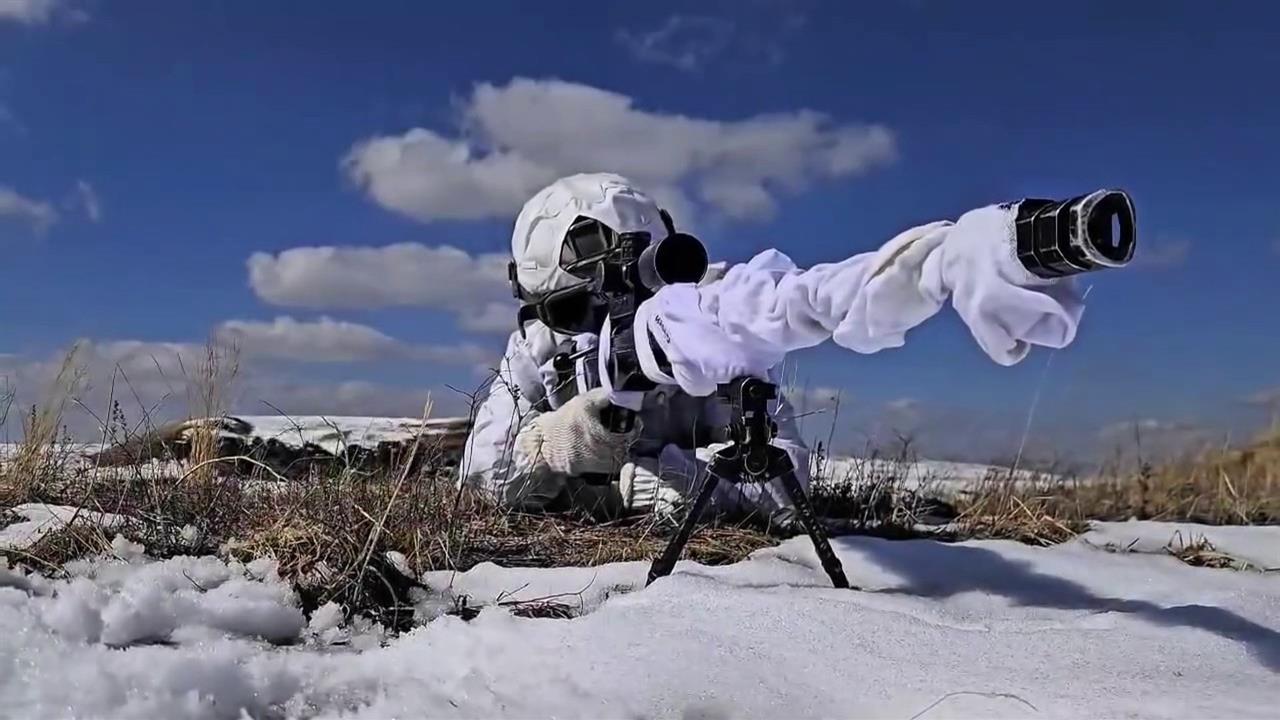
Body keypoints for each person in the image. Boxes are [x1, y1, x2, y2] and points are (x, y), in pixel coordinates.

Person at [458, 172, 1086, 526]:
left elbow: (786, 476)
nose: (595, 325)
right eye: (570, 310)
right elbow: (477, 481)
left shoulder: (707, 318)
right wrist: (551, 446)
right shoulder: (537, 352)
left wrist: (942, 263)